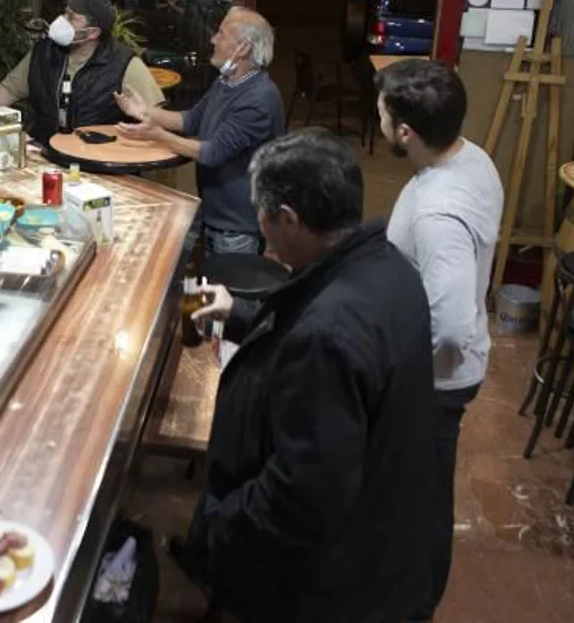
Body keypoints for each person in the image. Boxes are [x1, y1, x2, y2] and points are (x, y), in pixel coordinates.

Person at [184, 128, 437, 622]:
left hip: (335, 587)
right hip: (391, 542)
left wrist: (219, 525)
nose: (261, 226)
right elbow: (311, 314)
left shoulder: (328, 335)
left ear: (289, 221)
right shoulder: (389, 269)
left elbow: (302, 494)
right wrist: (240, 311)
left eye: (263, 215)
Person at [376, 59, 504, 621]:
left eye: (382, 112)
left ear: (405, 132)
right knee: (420, 489)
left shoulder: (437, 214)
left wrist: (391, 364)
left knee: (420, 500)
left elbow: (449, 325)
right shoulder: (468, 154)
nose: (377, 118)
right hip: (446, 372)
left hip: (434, 382)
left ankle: (412, 606)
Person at [114, 6, 283, 255]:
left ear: (244, 48)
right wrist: (145, 112)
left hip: (237, 227)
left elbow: (213, 152)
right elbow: (190, 120)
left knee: (228, 294)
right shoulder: (225, 82)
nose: (213, 39)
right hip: (215, 214)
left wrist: (157, 136)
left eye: (222, 34)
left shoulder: (258, 99)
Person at [0, 0, 165, 143]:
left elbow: (156, 117)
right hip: (46, 153)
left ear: (92, 33)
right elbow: (8, 90)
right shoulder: (43, 53)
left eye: (71, 17)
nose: (61, 20)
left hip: (98, 163)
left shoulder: (125, 64)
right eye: (64, 13)